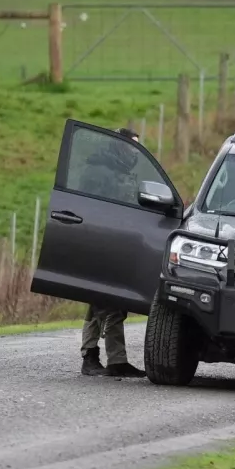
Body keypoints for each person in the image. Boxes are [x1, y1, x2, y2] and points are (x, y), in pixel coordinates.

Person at [79, 127, 147, 378]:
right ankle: (115, 360)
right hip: (103, 244)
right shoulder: (101, 172)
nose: (135, 153)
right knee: (111, 302)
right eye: (132, 146)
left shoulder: (115, 170)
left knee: (99, 302)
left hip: (114, 243)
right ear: (120, 145)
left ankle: (92, 356)